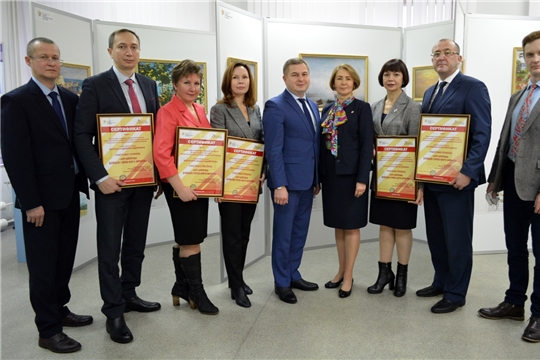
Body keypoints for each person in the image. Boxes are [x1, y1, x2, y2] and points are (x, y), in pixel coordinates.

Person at [1, 37, 92, 353]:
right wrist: (30, 202)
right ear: (29, 61)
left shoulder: (69, 98)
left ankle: (60, 310)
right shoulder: (16, 101)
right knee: (42, 267)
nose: (52, 62)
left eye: (56, 57)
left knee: (63, 260)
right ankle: (48, 330)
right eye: (44, 57)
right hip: (39, 202)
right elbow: (15, 157)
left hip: (68, 196)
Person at [74, 28, 161, 344]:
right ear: (110, 51)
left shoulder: (150, 85)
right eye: (122, 46)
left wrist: (159, 175)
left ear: (140, 51)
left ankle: (129, 294)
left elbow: (157, 134)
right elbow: (82, 135)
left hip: (143, 181)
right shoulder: (95, 85)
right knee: (109, 249)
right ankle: (113, 311)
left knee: (136, 243)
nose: (129, 52)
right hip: (111, 183)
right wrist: (99, 177)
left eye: (134, 47)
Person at [416, 39, 491, 313]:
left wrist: (468, 172)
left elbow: (482, 133)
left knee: (457, 239)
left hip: (458, 181)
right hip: (434, 177)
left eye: (447, 53)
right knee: (436, 236)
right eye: (436, 54)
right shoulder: (429, 92)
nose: (441, 57)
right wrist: (422, 179)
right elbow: (426, 138)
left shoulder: (473, 87)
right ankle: (441, 281)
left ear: (459, 58)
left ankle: (456, 294)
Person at [478, 30, 540, 343]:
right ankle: (515, 302)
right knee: (515, 247)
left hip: (539, 186)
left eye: (539, 53)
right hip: (514, 180)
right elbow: (506, 140)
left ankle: (539, 315)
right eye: (529, 54)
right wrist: (495, 178)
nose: (535, 59)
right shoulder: (521, 94)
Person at [153, 59, 218, 315]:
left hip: (199, 185)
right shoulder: (167, 111)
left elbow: (210, 146)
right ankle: (198, 294)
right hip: (180, 187)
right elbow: (161, 154)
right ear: (176, 84)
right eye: (186, 82)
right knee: (192, 240)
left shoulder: (199, 110)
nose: (192, 87)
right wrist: (179, 187)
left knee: (186, 238)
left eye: (196, 83)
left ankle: (181, 286)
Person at [263, 58, 320, 304]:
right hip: (286, 185)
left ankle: (293, 273)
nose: (301, 78)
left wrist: (316, 178)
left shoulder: (313, 105)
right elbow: (273, 149)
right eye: (295, 74)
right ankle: (281, 282)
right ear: (285, 78)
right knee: (284, 235)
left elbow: (314, 145)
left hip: (308, 182)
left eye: (304, 74)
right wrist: (279, 185)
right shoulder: (275, 106)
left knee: (299, 233)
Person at [210, 61, 264, 308]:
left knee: (244, 233)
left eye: (245, 77)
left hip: (252, 182)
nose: (241, 81)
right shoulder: (219, 109)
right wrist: (218, 185)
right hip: (230, 183)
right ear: (228, 82)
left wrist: (264, 172)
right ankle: (236, 285)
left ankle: (238, 277)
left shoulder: (255, 109)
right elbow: (217, 147)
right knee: (232, 235)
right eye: (236, 77)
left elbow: (262, 141)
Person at [367, 59, 422, 297]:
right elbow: (370, 138)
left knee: (402, 227)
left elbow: (419, 147)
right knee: (385, 225)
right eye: (387, 74)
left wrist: (419, 185)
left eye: (396, 75)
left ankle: (401, 276)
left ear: (403, 78)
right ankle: (383, 273)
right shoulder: (374, 106)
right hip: (381, 176)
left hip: (403, 178)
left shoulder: (412, 107)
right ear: (382, 78)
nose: (391, 78)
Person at [319, 64, 373, 298]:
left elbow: (366, 146)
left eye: (347, 79)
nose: (343, 82)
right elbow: (322, 146)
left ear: (354, 83)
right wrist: (319, 177)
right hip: (332, 178)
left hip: (353, 179)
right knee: (339, 227)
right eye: (339, 78)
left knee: (351, 227)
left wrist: (363, 179)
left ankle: (349, 276)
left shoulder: (362, 109)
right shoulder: (327, 110)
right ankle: (340, 271)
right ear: (333, 82)